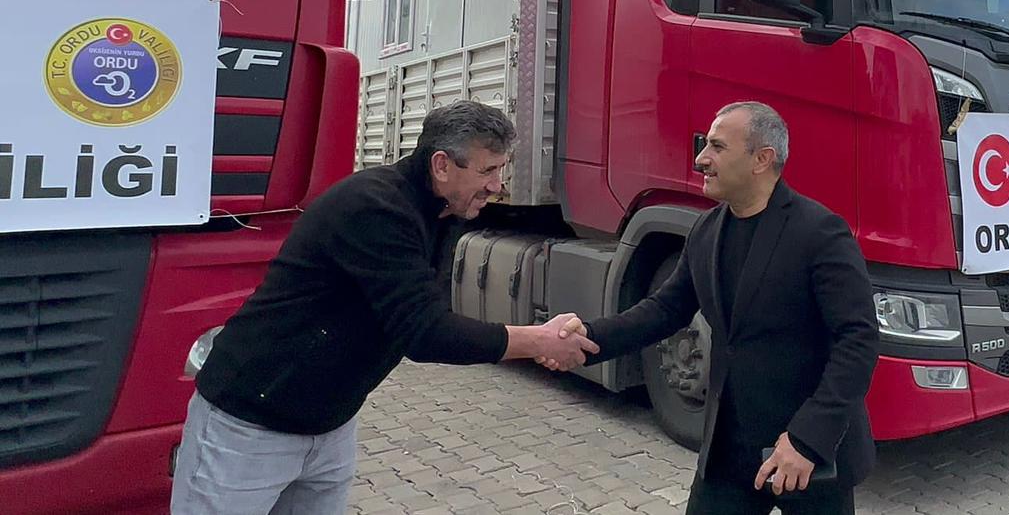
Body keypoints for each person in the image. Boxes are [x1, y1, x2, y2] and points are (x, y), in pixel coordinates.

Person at [170, 101, 598, 514]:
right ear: (442, 165)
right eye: (486, 170)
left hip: (330, 426)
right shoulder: (375, 207)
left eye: (499, 170)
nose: (496, 185)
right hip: (249, 427)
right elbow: (425, 332)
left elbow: (428, 314)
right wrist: (536, 340)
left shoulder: (444, 213)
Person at [579, 102, 879, 514]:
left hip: (808, 454)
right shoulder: (706, 230)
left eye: (717, 147)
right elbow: (666, 309)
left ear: (762, 159)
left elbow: (858, 341)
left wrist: (808, 438)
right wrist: (587, 338)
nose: (701, 159)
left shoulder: (820, 232)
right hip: (730, 453)